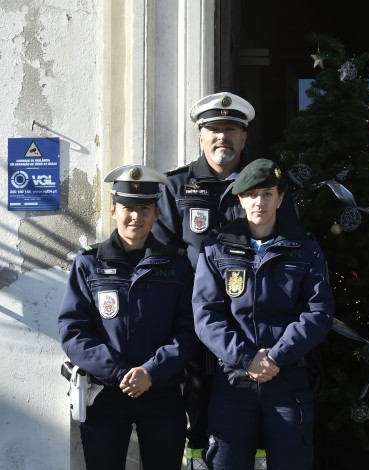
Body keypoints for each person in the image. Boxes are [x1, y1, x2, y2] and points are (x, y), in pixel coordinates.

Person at [151, 91, 299, 452]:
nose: (223, 138)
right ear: (200, 136)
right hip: (195, 322)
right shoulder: (176, 187)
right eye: (214, 130)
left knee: (259, 418)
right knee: (197, 414)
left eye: (232, 131)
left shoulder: (268, 187)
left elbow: (291, 250)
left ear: (244, 138)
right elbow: (161, 257)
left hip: (255, 326)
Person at [191, 158, 334, 469]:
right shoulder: (215, 250)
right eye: (252, 194)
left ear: (280, 199)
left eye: (268, 193)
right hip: (233, 382)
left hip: (287, 377)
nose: (260, 202)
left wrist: (276, 357)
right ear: (241, 199)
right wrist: (247, 358)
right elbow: (206, 315)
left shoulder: (306, 250)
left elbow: (318, 312)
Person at [58, 164, 197, 469]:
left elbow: (188, 330)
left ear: (156, 213)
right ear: (113, 210)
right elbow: (73, 331)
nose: (136, 216)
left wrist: (150, 372)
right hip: (107, 393)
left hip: (161, 392)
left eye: (144, 209)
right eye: (128, 208)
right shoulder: (88, 264)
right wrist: (120, 372)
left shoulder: (176, 265)